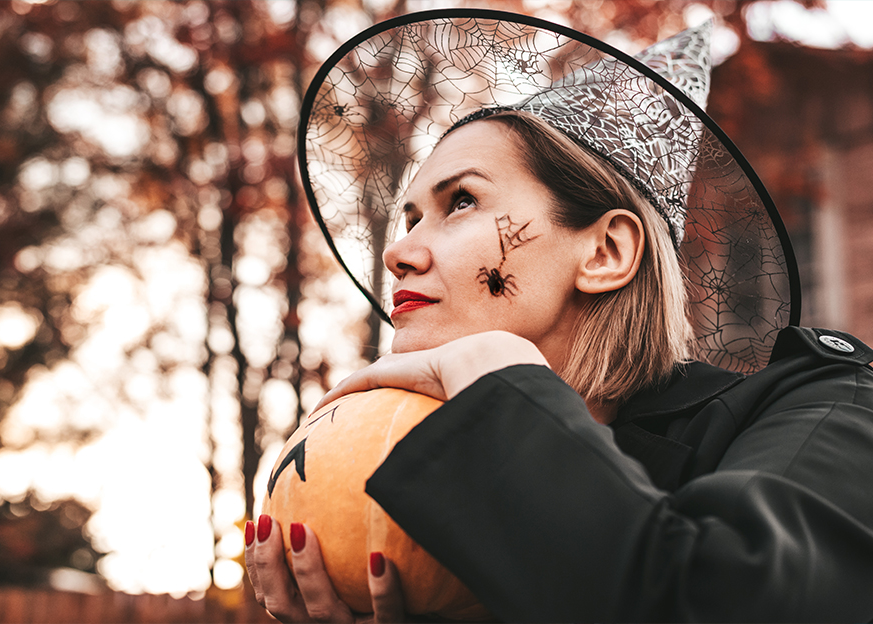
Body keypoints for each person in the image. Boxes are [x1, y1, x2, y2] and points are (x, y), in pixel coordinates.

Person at [245, 9, 873, 622]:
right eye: (409, 219)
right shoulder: (419, 483)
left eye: (461, 201)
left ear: (604, 252)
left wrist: (502, 383)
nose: (398, 252)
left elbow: (730, 598)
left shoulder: (829, 400)